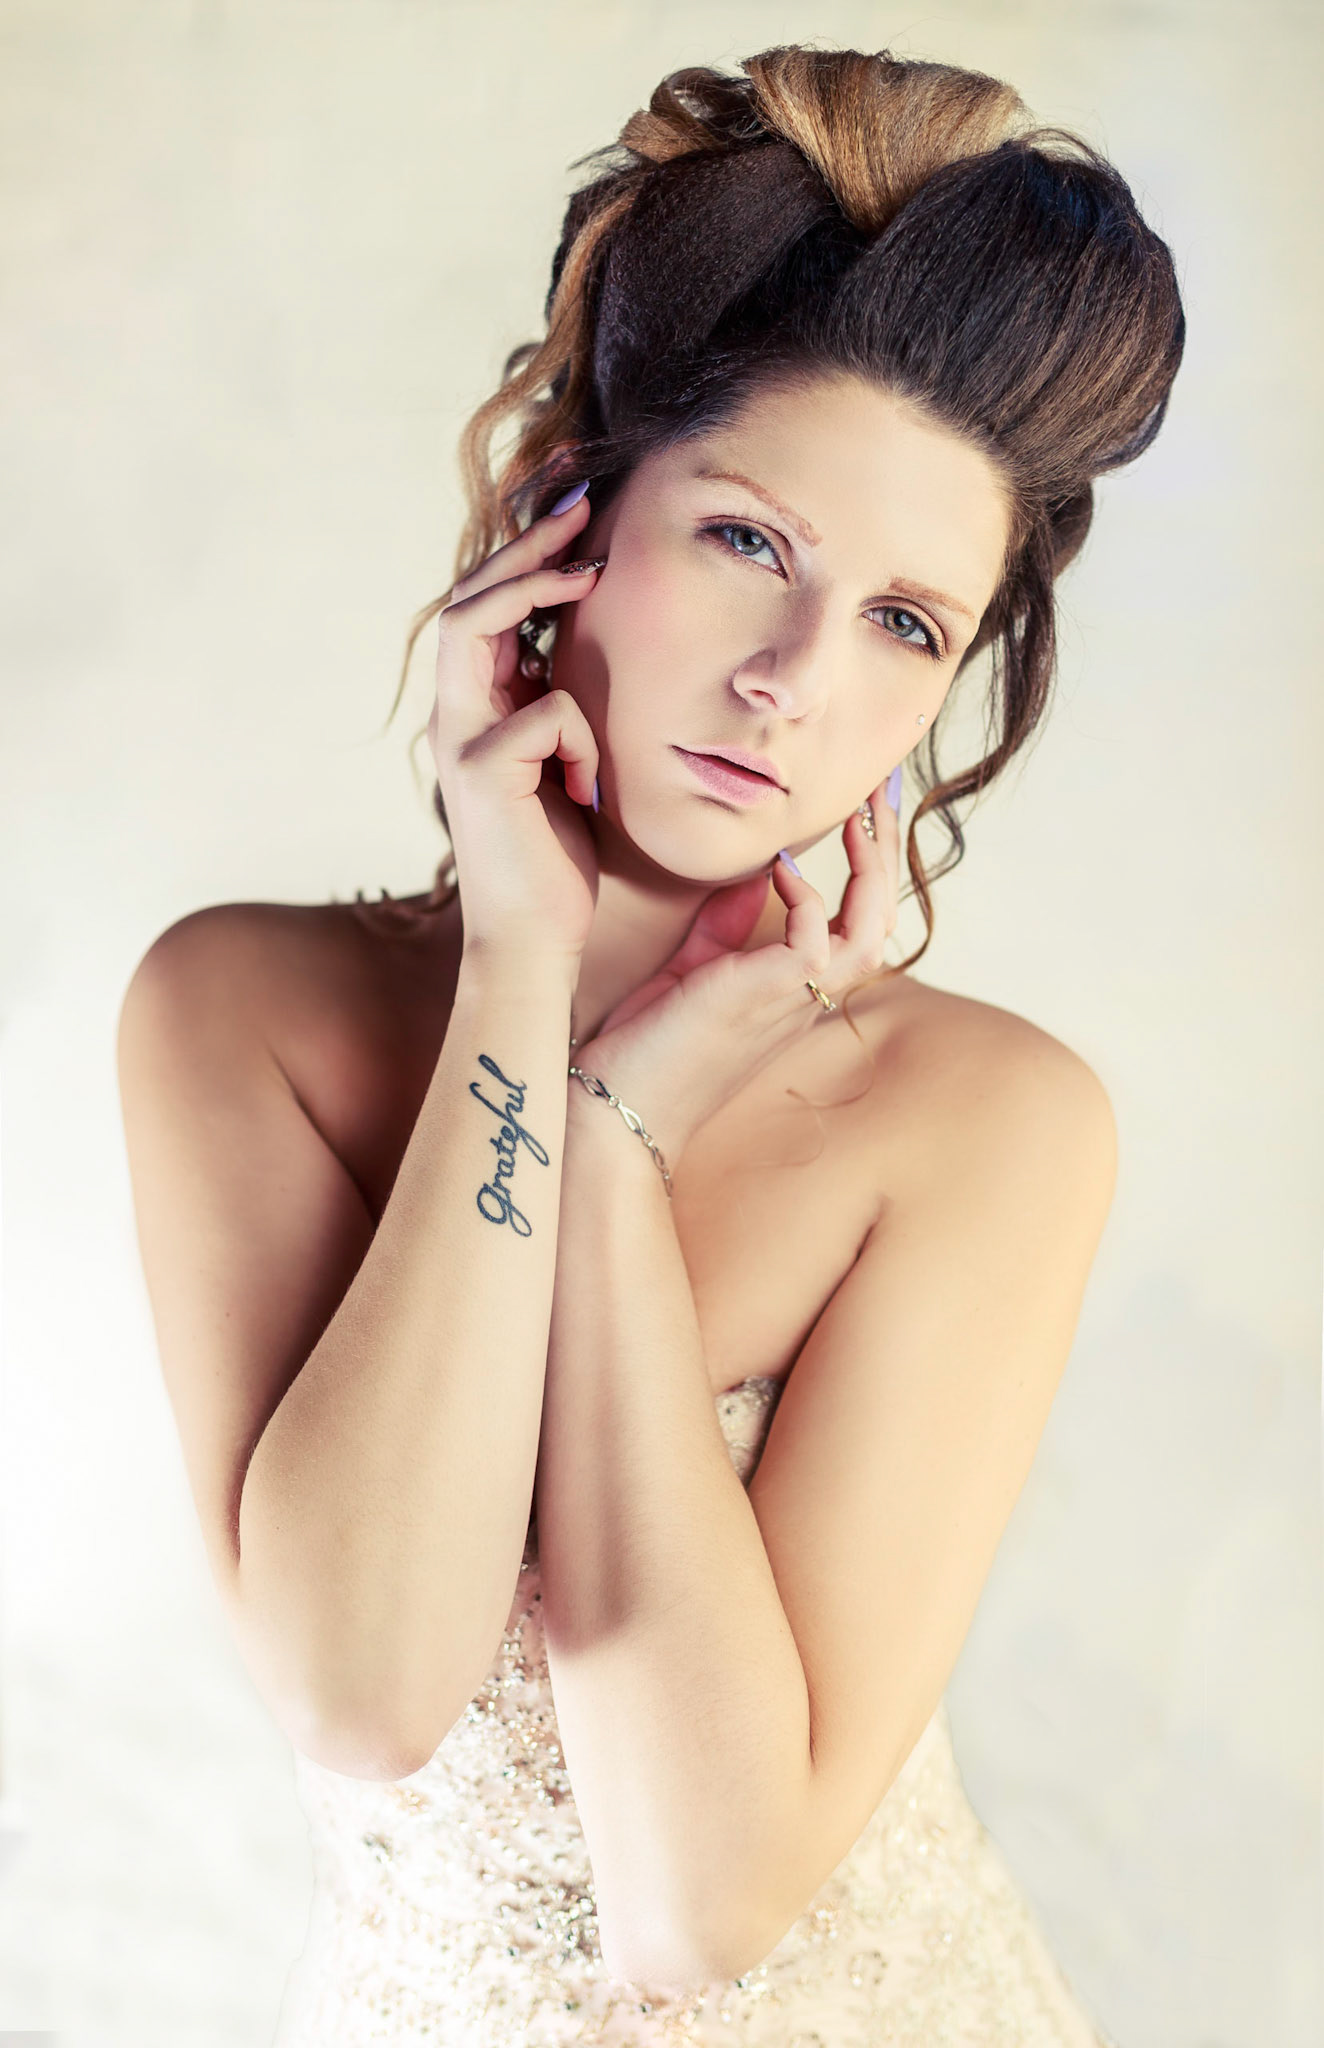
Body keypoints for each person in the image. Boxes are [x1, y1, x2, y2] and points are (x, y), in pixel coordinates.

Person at [116, 43, 1184, 2047]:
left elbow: (701, 1903)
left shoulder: (985, 1123)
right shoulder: (239, 1014)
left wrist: (611, 1154)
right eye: (751, 544)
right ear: (571, 514)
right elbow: (365, 1685)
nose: (795, 681)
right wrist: (518, 973)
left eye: (905, 625)